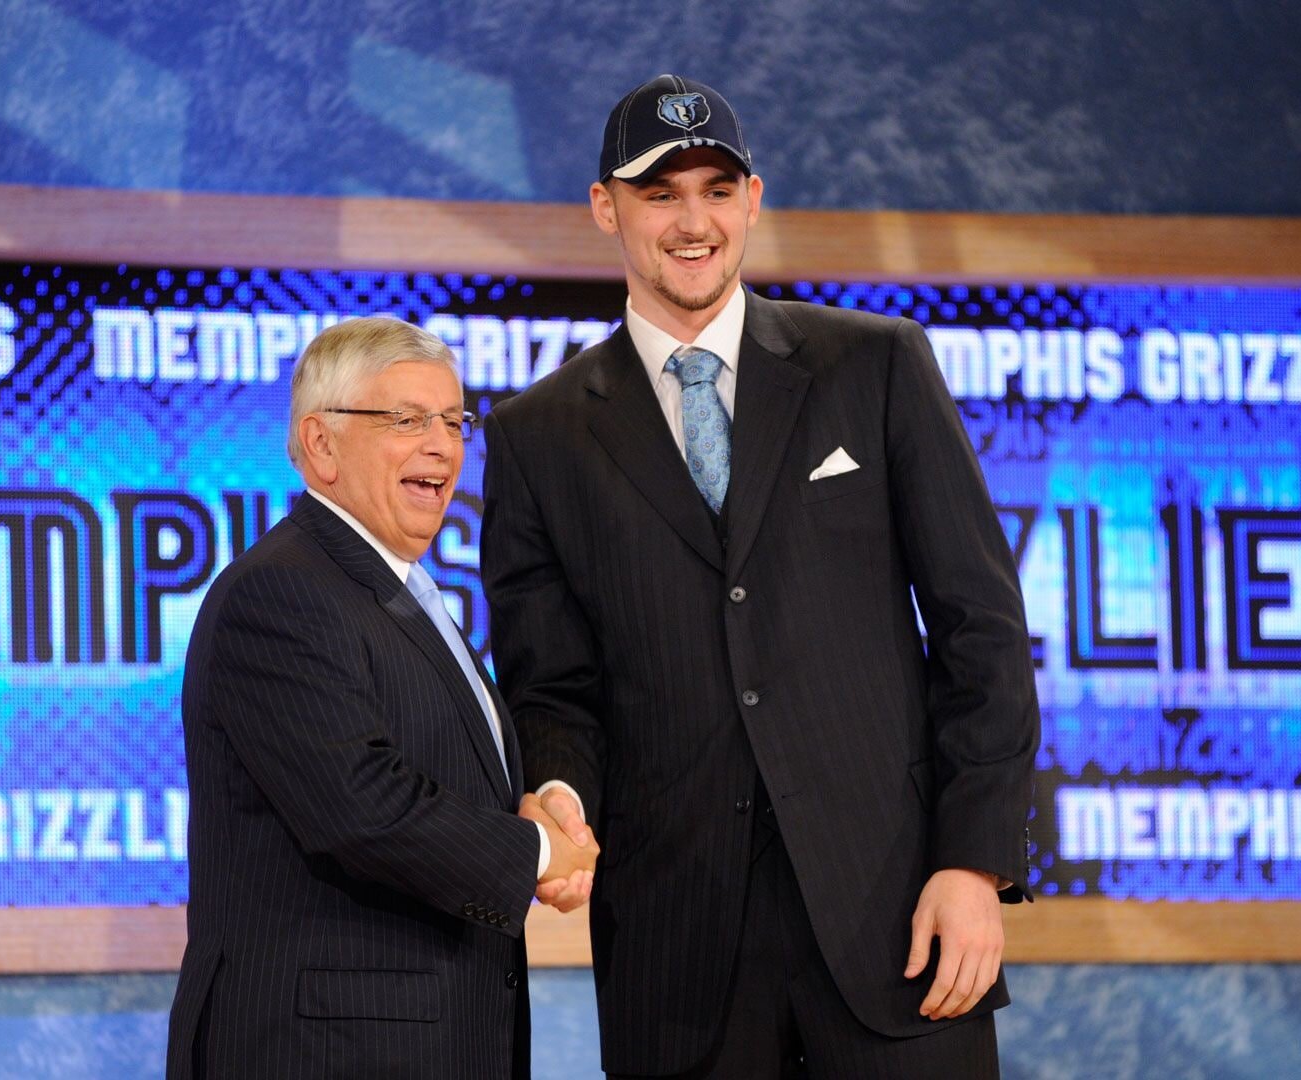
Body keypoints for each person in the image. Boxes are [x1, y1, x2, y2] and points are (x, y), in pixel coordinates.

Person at [481, 75, 1041, 1077]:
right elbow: (551, 683)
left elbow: (981, 629)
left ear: (753, 198)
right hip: (677, 957)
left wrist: (973, 862)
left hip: (899, 929)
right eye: (660, 194)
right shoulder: (538, 435)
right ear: (606, 208)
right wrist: (558, 788)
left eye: (716, 189)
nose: (693, 222)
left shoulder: (874, 365)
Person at [167, 317, 597, 1079]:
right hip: (326, 1052)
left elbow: (446, 777)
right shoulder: (281, 593)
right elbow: (363, 809)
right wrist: (534, 852)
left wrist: (532, 807)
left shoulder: (398, 590)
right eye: (406, 420)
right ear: (322, 443)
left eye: (453, 420)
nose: (443, 445)